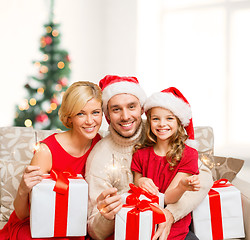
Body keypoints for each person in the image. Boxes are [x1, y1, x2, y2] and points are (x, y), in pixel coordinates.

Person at [85, 75, 213, 240]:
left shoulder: (160, 131)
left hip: (172, 226)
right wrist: (107, 214)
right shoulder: (100, 156)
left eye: (131, 106)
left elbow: (204, 176)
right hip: (128, 231)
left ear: (141, 108)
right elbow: (95, 231)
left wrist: (171, 214)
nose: (125, 116)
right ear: (107, 114)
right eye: (116, 109)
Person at [0, 81, 103, 240]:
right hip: (36, 225)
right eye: (81, 114)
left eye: (95, 112)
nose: (90, 121)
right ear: (70, 116)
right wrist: (22, 189)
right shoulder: (46, 151)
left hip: (73, 225)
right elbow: (22, 215)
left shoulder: (100, 144)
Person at [131, 87, 201, 240]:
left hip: (176, 227)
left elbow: (168, 198)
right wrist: (141, 180)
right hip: (144, 222)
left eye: (169, 118)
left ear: (179, 122)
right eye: (156, 119)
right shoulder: (140, 154)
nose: (162, 124)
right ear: (149, 122)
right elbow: (136, 181)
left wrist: (182, 186)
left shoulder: (188, 154)